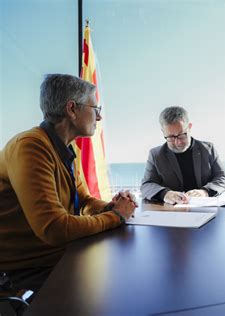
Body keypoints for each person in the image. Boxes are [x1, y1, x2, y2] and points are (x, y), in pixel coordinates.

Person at [0, 74, 137, 297]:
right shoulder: (30, 147)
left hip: (53, 256)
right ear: (72, 109)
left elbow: (82, 201)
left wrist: (109, 207)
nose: (99, 117)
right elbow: (54, 228)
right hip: (20, 270)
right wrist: (117, 217)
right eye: (95, 108)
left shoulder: (70, 149)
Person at [141, 106, 225, 204]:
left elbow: (223, 178)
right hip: (172, 213)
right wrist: (165, 194)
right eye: (171, 137)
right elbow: (146, 185)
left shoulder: (208, 149)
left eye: (182, 135)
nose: (178, 142)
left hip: (206, 210)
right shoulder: (156, 154)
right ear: (163, 132)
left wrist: (205, 192)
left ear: (189, 127)